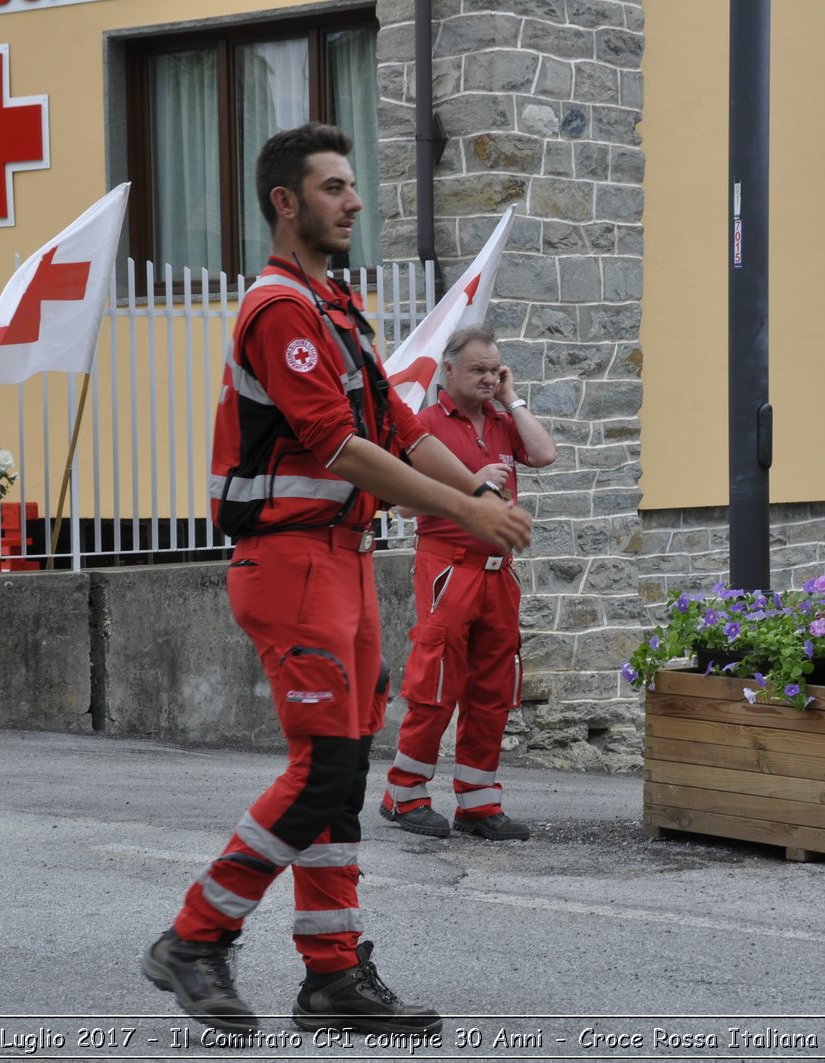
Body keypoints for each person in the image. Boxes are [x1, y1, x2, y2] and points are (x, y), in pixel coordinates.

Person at [142, 123, 532, 1034]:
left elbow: (395, 419)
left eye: (352, 186)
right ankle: (195, 937)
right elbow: (341, 447)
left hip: (342, 562)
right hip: (291, 561)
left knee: (343, 770)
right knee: (322, 769)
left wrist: (471, 480)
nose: (354, 201)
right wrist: (470, 512)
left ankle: (332, 975)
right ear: (285, 202)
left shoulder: (335, 306)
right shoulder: (279, 309)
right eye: (333, 187)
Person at [380, 326, 557, 842]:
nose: (488, 378)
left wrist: (513, 396)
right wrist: (472, 478)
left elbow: (544, 454)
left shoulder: (503, 421)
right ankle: (403, 794)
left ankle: (478, 805)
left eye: (495, 369)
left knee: (493, 690)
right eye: (478, 369)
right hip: (448, 567)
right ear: (448, 370)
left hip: (499, 574)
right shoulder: (425, 423)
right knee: (435, 686)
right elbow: (402, 502)